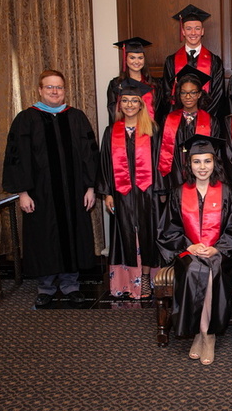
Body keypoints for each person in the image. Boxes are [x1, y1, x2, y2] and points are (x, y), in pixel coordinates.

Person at [2, 69, 99, 306]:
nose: (55, 91)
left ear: (65, 91)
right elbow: (17, 158)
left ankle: (70, 284)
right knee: (43, 236)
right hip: (40, 193)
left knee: (72, 234)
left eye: (59, 87)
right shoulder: (26, 119)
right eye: (50, 87)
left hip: (75, 192)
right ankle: (45, 287)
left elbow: (90, 155)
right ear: (40, 90)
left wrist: (90, 187)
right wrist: (23, 192)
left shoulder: (76, 117)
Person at [157, 135, 232, 364]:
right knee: (194, 268)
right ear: (189, 164)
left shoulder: (227, 192)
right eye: (197, 162)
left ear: (215, 163)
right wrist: (188, 245)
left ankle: (207, 335)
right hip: (188, 251)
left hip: (220, 252)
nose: (202, 167)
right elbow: (168, 229)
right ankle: (201, 332)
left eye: (207, 161)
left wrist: (218, 248)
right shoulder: (178, 193)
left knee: (213, 268)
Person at [97, 78, 161, 299]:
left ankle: (144, 279)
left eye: (135, 101)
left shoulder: (152, 130)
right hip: (121, 194)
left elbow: (161, 163)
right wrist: (106, 193)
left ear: (142, 104)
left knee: (147, 233)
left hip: (147, 193)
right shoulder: (111, 131)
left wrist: (159, 193)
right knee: (124, 233)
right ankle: (126, 282)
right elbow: (105, 162)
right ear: (119, 104)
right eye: (125, 101)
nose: (130, 105)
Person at [157, 66, 219, 194]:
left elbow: (215, 154)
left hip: (202, 177)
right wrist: (162, 186)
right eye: (184, 92)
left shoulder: (211, 121)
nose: (188, 96)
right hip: (174, 177)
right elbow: (160, 152)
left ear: (199, 94)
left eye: (193, 92)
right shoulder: (168, 119)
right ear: (179, 95)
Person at [162, 4, 226, 119]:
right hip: (179, 120)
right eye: (188, 28)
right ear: (183, 32)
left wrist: (205, 117)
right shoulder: (171, 61)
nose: (193, 33)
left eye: (197, 28)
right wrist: (181, 117)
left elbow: (218, 94)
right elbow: (167, 92)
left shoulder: (215, 61)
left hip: (207, 119)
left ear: (202, 31)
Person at [107, 37, 163, 125]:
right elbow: (113, 113)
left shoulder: (155, 84)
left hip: (150, 132)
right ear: (125, 59)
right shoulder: (116, 84)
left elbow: (159, 113)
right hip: (125, 132)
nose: (137, 61)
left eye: (140, 58)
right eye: (132, 58)